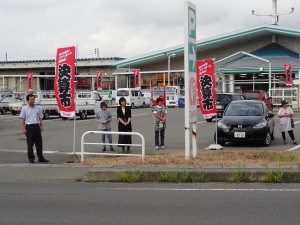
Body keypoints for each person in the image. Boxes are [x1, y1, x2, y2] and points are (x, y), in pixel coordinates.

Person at [20, 94, 49, 163]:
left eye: (34, 99)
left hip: (37, 127)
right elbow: (23, 120)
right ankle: (31, 158)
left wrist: (41, 126)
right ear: (27, 100)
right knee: (30, 144)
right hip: (29, 127)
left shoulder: (38, 108)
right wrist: (23, 129)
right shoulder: (24, 108)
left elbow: (40, 118)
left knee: (39, 144)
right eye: (31, 100)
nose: (33, 101)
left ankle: (40, 158)